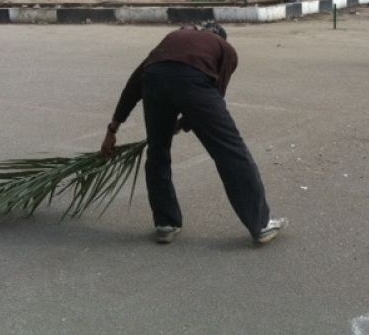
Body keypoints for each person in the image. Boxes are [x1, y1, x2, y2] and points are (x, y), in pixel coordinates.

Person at [101, 23, 287, 245]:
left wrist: (113, 128)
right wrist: (187, 121)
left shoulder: (172, 39)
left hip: (154, 80)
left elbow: (133, 85)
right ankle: (261, 224)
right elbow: (216, 93)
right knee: (230, 151)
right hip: (193, 84)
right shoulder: (226, 50)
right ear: (222, 38)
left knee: (158, 151)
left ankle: (165, 224)